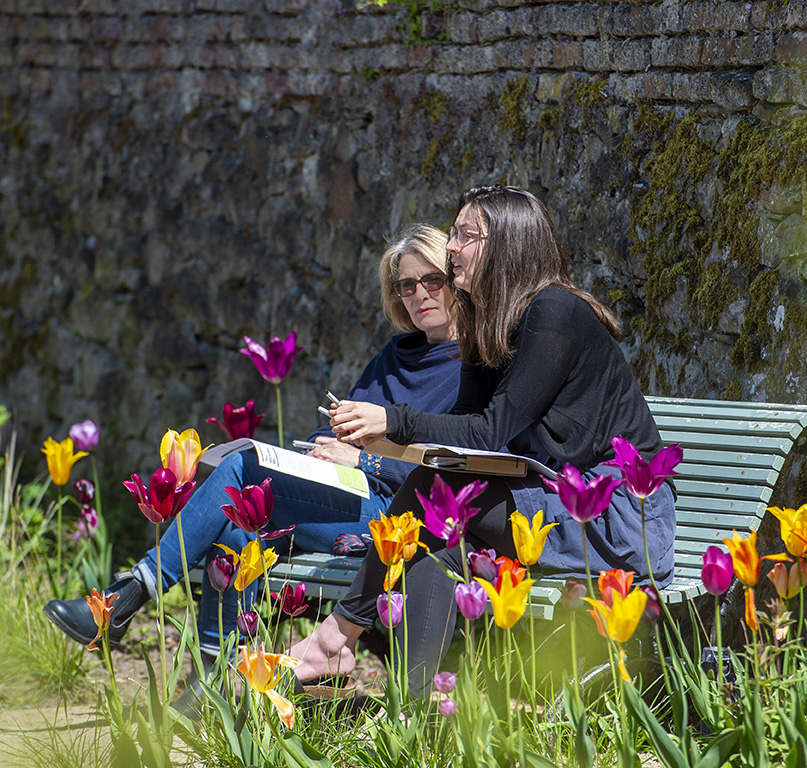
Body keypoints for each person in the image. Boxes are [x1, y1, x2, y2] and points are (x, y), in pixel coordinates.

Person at [289, 186, 676, 696]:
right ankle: (414, 711)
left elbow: (490, 431)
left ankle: (335, 638)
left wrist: (393, 420)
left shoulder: (554, 313)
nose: (450, 246)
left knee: (435, 495)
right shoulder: (481, 319)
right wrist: (380, 446)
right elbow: (471, 438)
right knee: (440, 523)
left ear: (508, 245)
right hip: (555, 496)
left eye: (466, 235)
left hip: (615, 511)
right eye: (453, 232)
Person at [43, 224, 463, 658]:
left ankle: (128, 596)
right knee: (237, 529)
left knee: (245, 468)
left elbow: (455, 466)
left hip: (398, 514)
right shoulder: (395, 356)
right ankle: (213, 681)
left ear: (454, 282)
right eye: (407, 285)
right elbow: (337, 425)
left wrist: (365, 462)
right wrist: (320, 449)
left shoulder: (473, 367)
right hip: (346, 496)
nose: (420, 294)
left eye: (432, 280)